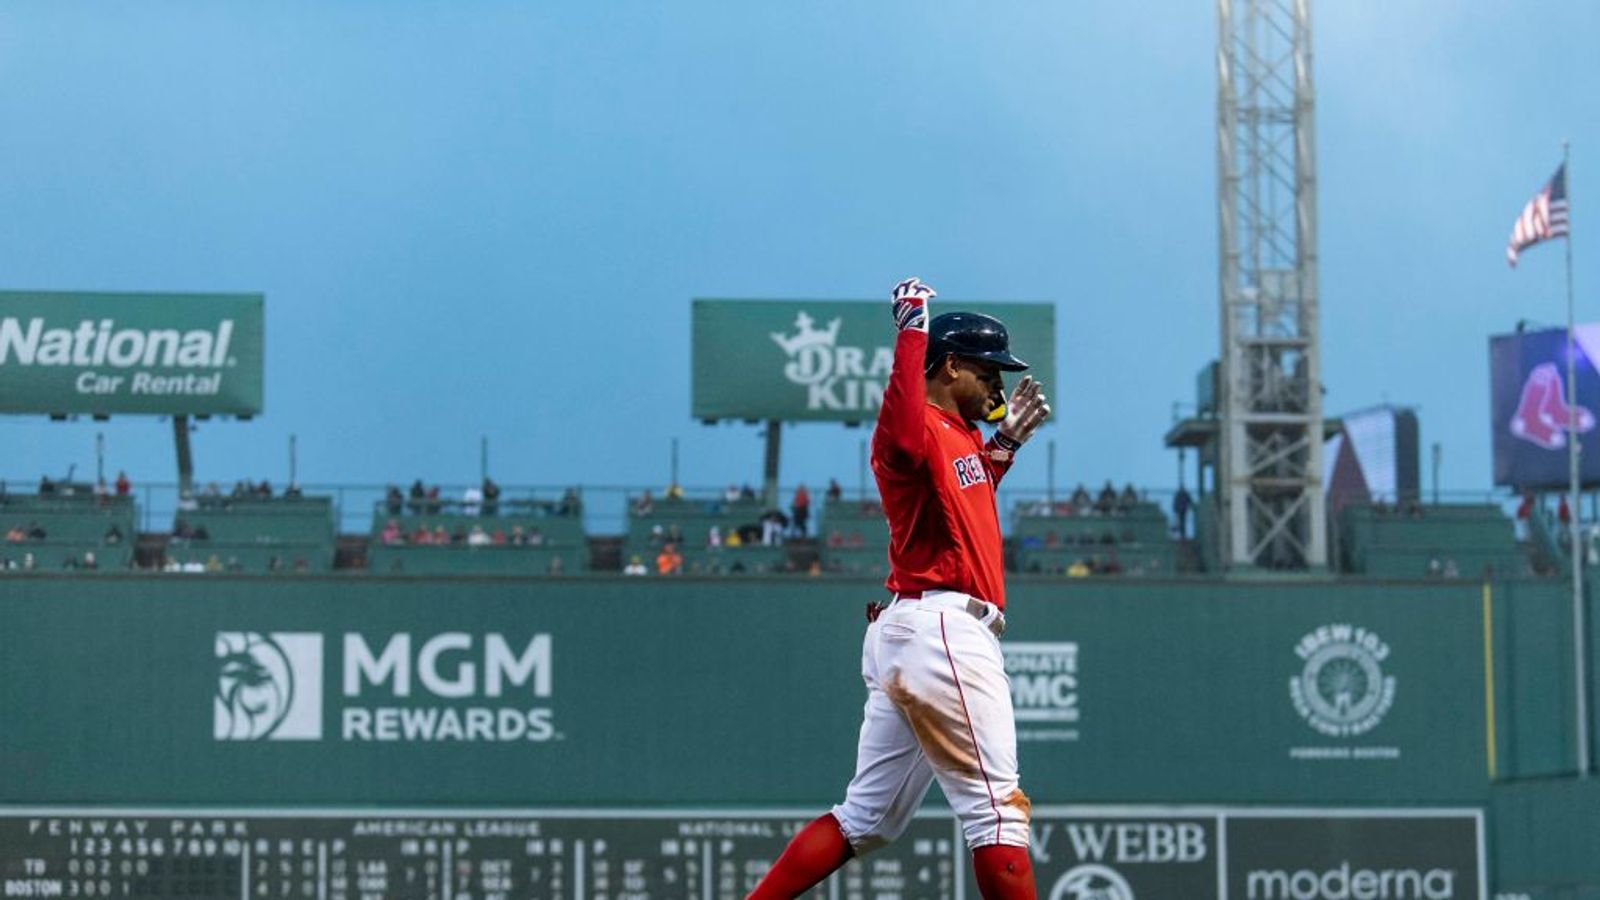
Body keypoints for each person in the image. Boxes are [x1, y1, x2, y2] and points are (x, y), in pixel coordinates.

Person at [750, 278, 1049, 900]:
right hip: (944, 629)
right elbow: (904, 430)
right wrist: (911, 331)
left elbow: (963, 500)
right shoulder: (909, 432)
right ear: (951, 366)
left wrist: (1007, 446)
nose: (998, 384)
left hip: (915, 630)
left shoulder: (960, 434)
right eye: (988, 370)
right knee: (996, 809)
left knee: (868, 821)